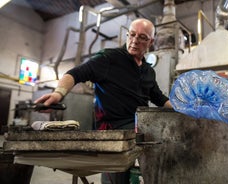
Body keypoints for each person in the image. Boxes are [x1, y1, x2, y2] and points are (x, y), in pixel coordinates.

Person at [35, 18, 172, 184]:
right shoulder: (109, 58)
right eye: (132, 34)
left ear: (151, 41)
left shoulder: (148, 71)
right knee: (116, 179)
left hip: (138, 127)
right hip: (112, 129)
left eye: (142, 37)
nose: (135, 40)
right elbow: (75, 73)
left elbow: (158, 97)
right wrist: (58, 94)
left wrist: (182, 110)